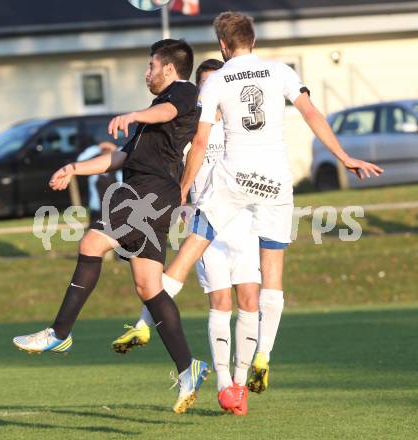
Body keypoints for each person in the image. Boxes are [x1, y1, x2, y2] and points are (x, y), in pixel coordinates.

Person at [139, 12, 384, 401]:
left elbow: (200, 144)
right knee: (272, 273)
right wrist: (344, 155)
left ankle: (142, 321)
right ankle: (264, 354)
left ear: (223, 45)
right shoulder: (280, 71)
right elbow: (311, 114)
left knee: (191, 249)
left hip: (234, 178)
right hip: (275, 181)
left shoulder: (216, 80)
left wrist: (183, 188)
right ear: (252, 39)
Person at [13, 38, 209, 414]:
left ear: (169, 68)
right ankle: (188, 368)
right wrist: (73, 168)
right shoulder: (154, 109)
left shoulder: (183, 92)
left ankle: (59, 333)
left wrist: (134, 115)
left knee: (90, 243)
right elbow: (119, 157)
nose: (146, 72)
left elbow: (168, 112)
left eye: (151, 65)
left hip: (146, 193)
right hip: (148, 191)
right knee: (149, 286)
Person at [112, 59, 261, 415]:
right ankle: (225, 385)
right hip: (205, 219)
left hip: (243, 221)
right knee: (220, 302)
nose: (212, 94)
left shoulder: (240, 130)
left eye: (217, 85)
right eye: (206, 87)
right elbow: (167, 162)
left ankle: (241, 380)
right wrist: (177, 195)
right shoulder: (190, 130)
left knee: (250, 299)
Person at [77, 141, 122, 228]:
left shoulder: (119, 173)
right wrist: (98, 148)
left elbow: (129, 155)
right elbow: (80, 160)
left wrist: (115, 148)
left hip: (117, 213)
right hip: (98, 214)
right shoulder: (94, 175)